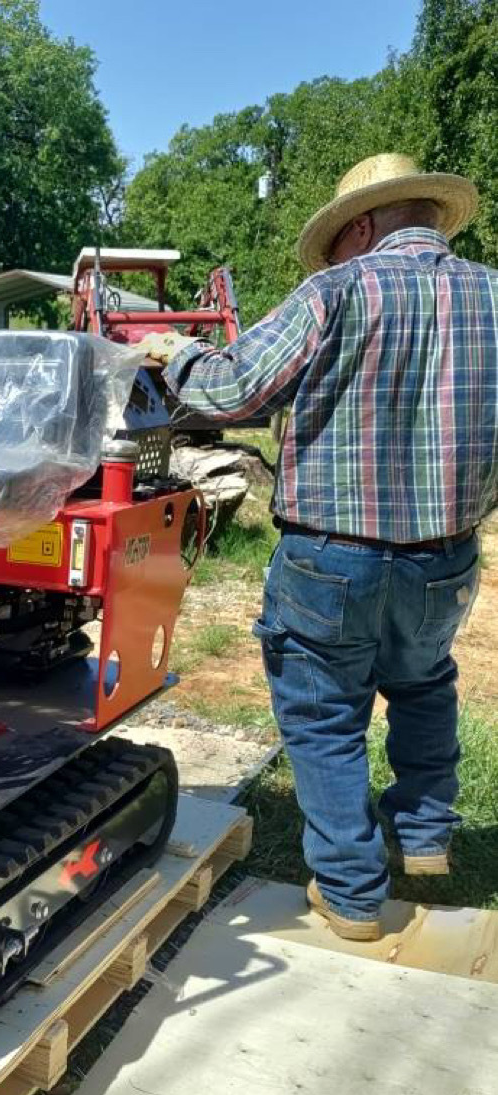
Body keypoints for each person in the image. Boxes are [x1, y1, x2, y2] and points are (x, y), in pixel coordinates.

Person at [140, 154, 495, 942]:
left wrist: (175, 351)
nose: (334, 254)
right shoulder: (495, 297)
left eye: (338, 239)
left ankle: (351, 893)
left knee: (325, 716)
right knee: (424, 681)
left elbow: (232, 391)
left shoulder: (338, 292)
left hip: (331, 557)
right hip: (445, 555)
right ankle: (425, 834)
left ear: (362, 226)